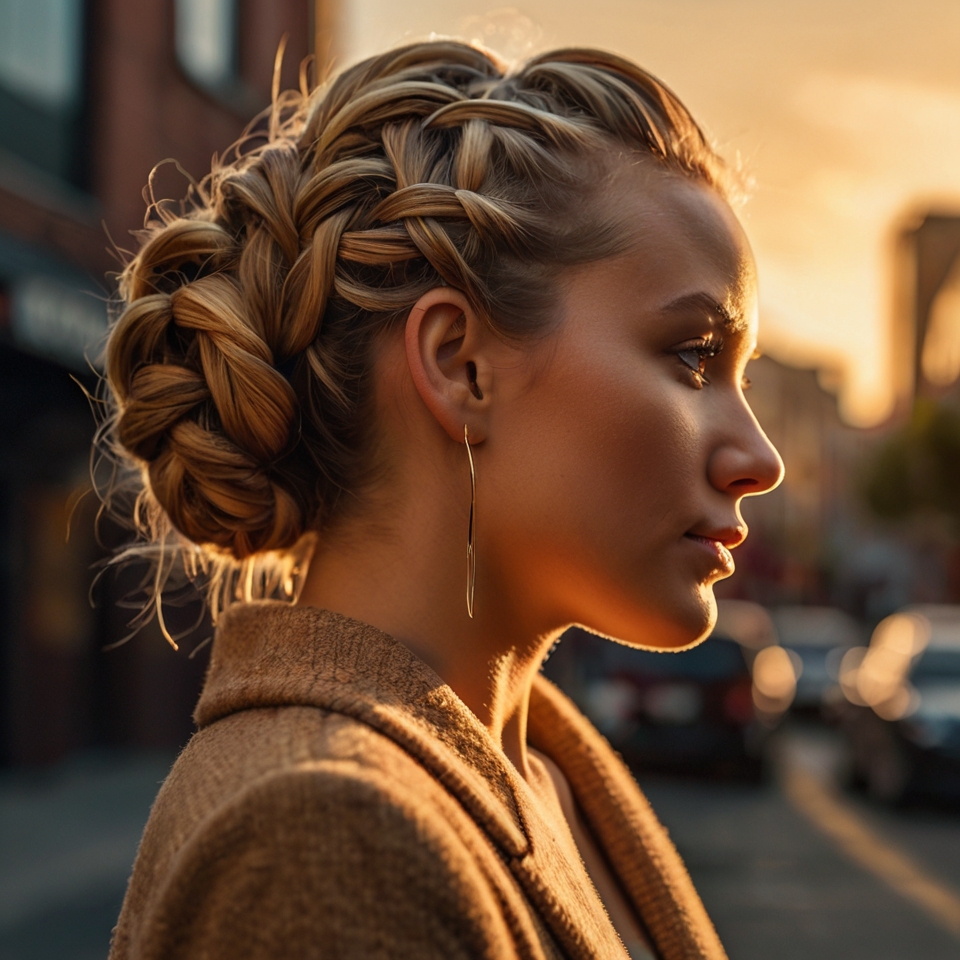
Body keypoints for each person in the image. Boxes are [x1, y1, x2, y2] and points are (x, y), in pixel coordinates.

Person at [104, 39, 783, 960]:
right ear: (460, 365)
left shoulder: (537, 770)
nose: (760, 458)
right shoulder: (323, 838)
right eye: (694, 357)